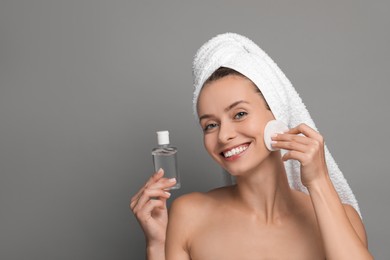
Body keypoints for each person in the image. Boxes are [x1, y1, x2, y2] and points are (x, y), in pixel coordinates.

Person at [130, 33, 373, 259]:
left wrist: (319, 182)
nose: (224, 135)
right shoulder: (189, 215)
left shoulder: (339, 220)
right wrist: (158, 244)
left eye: (239, 114)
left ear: (277, 114)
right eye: (210, 125)